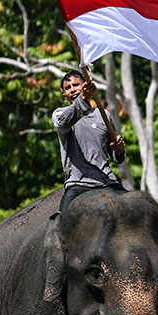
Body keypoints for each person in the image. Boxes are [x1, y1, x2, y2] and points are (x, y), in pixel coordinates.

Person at [52, 70, 126, 212]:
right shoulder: (60, 114)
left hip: (107, 181)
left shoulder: (104, 115)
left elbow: (117, 158)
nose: (73, 89)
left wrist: (120, 150)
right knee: (61, 221)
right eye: (68, 88)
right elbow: (62, 124)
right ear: (65, 95)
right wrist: (83, 99)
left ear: (85, 86)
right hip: (78, 183)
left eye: (76, 85)